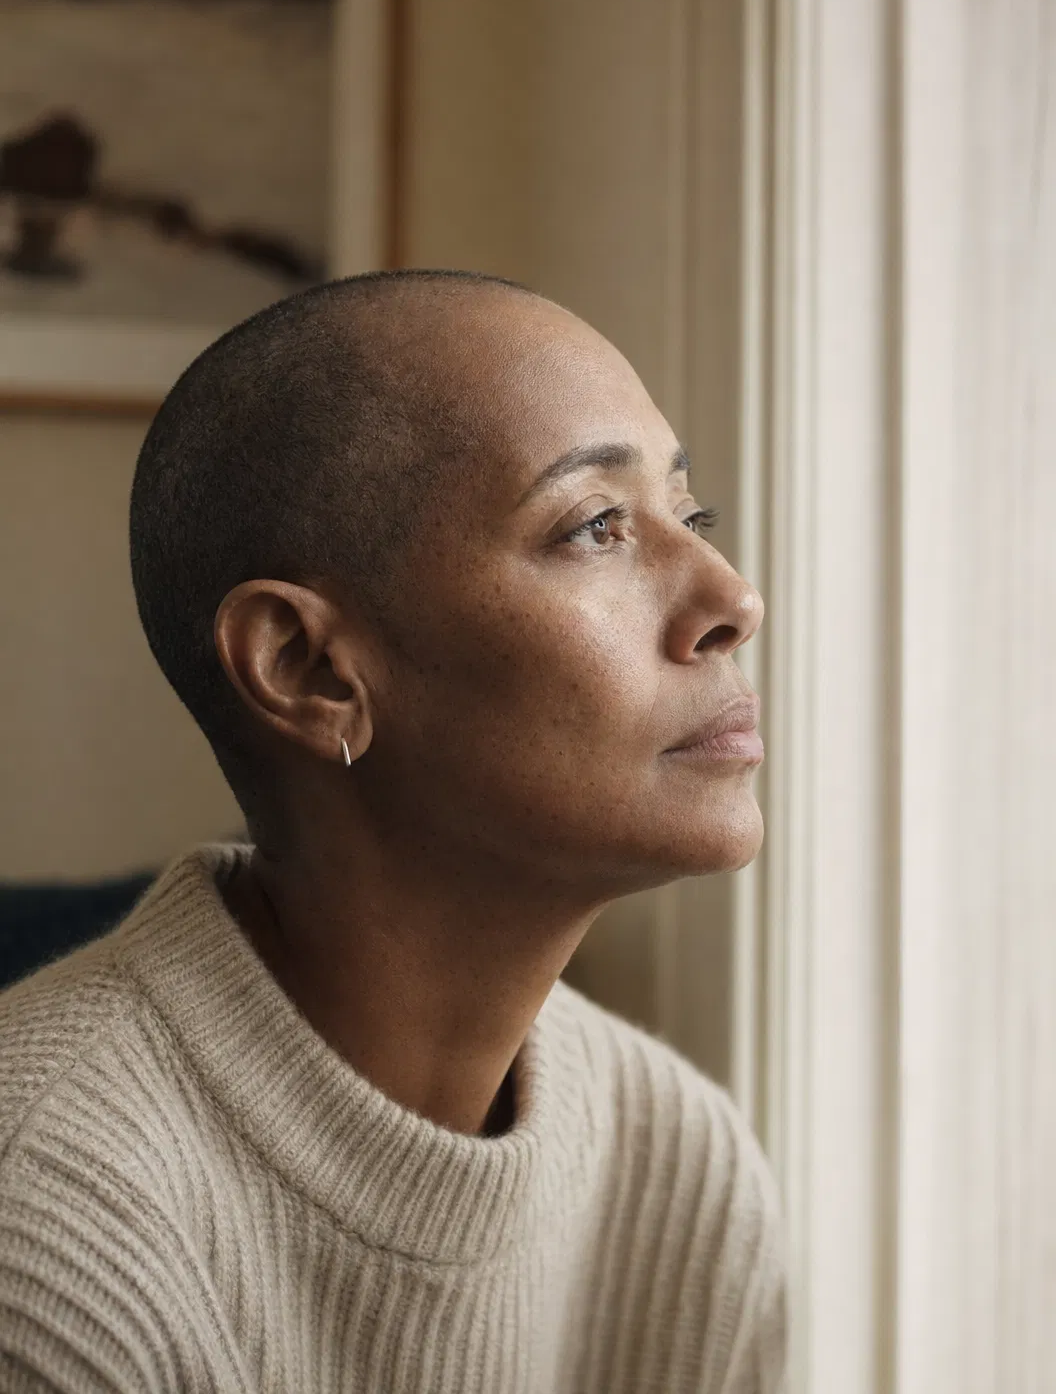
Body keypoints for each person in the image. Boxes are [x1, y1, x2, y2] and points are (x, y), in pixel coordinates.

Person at [0, 271, 785, 1392]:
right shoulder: (45, 1218)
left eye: (688, 512)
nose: (732, 596)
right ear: (308, 667)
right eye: (596, 526)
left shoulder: (677, 1164)